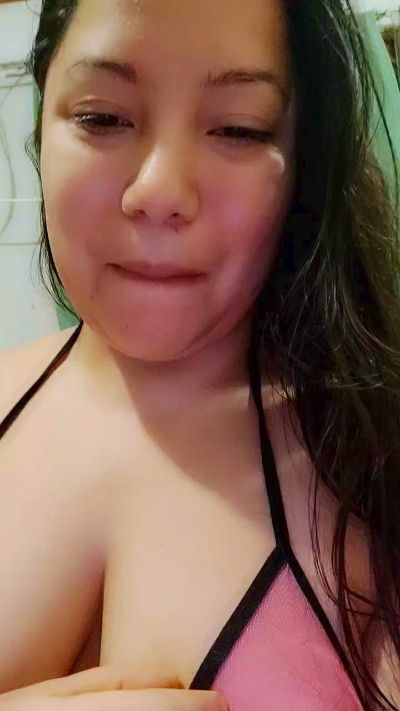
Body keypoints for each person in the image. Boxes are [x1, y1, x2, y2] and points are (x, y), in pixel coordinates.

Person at [0, 0, 399, 708]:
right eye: (102, 117)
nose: (159, 191)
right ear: (40, 133)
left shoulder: (374, 461)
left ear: (304, 168)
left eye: (238, 129)